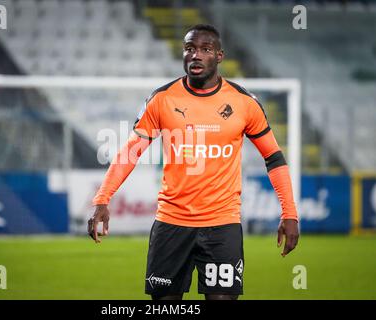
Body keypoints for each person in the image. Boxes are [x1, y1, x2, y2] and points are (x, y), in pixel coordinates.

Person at [88, 24, 299, 300]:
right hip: (171, 223)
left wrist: (290, 213)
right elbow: (131, 151)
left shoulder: (244, 103)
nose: (196, 55)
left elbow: (274, 158)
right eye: (189, 49)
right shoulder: (161, 99)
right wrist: (102, 198)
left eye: (205, 49)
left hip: (222, 224)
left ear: (219, 56)